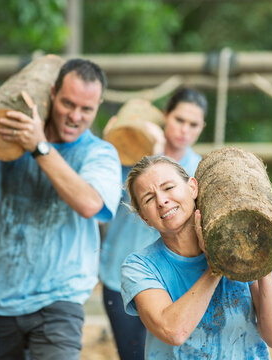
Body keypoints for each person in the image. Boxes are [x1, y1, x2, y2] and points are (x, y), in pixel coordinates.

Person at [0, 59, 121, 360]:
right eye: (68, 103)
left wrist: (39, 147)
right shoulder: (7, 141)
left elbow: (90, 204)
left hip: (59, 301)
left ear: (98, 106)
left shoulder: (99, 153)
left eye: (86, 109)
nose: (75, 116)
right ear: (52, 93)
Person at [120, 155, 272, 359]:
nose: (162, 201)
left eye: (168, 188)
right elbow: (174, 331)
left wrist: (263, 256)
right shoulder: (139, 266)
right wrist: (215, 266)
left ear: (192, 187)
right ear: (144, 217)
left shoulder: (239, 247)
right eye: (148, 198)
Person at [99, 89, 207, 359]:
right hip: (122, 273)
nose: (184, 130)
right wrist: (108, 146)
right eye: (179, 120)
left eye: (193, 124)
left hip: (179, 280)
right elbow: (103, 201)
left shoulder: (200, 168)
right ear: (164, 117)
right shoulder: (129, 152)